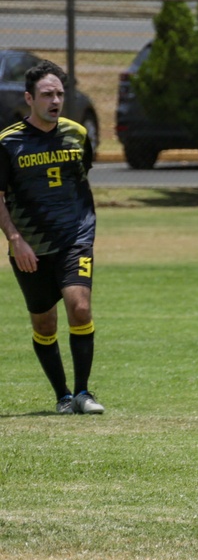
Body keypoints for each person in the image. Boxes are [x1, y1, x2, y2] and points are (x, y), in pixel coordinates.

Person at [0, 60, 104, 416]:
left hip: (76, 236)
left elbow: (82, 175)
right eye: (47, 94)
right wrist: (15, 238)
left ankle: (84, 393)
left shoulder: (77, 134)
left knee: (80, 307)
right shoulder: (8, 142)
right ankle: (62, 395)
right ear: (29, 98)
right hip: (30, 245)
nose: (55, 100)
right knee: (44, 322)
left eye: (60, 93)